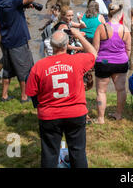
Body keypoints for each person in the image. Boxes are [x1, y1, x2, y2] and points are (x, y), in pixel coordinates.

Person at [26, 29, 97, 168]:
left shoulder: (39, 66)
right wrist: (78, 35)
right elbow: (93, 53)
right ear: (67, 45)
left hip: (49, 116)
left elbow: (31, 91)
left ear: (52, 46)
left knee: (49, 153)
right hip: (75, 113)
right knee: (78, 152)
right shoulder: (77, 60)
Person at [0, 0, 36, 103]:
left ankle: (4, 95)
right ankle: (24, 96)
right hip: (18, 41)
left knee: (7, 70)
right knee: (23, 69)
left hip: (6, 40)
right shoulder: (14, 2)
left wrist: (22, 5)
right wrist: (23, 0)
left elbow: (12, 7)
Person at [92, 4, 131, 124]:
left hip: (103, 62)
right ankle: (118, 114)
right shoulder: (125, 29)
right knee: (120, 89)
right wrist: (123, 60)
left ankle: (100, 118)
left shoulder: (101, 27)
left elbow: (95, 48)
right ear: (120, 15)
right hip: (121, 62)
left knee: (101, 91)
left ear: (108, 14)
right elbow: (128, 49)